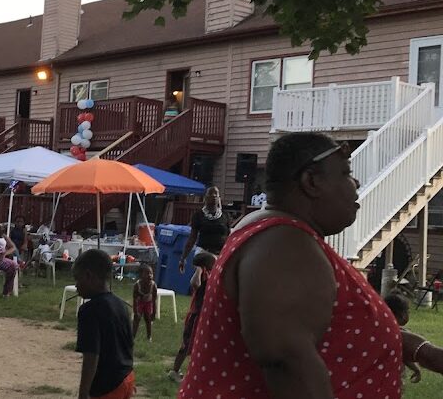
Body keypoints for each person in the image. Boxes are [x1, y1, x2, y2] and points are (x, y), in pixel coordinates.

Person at [179, 132, 403, 399]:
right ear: (311, 181)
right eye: (344, 173)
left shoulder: (275, 230)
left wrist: (410, 346)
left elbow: (322, 326)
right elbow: (287, 362)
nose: (355, 182)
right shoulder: (283, 245)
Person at [73, 249, 135, 399]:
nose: (76, 285)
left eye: (77, 279)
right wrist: (128, 374)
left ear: (88, 276)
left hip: (107, 387)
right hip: (126, 379)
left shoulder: (89, 311)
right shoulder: (121, 305)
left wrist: (83, 393)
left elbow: (91, 356)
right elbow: (128, 344)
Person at [168, 251, 216, 382]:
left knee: (200, 344)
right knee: (186, 344)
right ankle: (175, 371)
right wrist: (199, 270)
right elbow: (195, 284)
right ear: (205, 265)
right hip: (196, 315)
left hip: (203, 314)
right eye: (213, 262)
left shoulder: (211, 274)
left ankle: (195, 372)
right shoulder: (202, 274)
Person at [178, 186, 230, 273]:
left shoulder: (225, 215)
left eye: (216, 194)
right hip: (203, 252)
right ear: (205, 197)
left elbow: (229, 237)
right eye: (210, 194)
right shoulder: (198, 215)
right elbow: (192, 238)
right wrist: (183, 258)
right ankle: (198, 274)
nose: (213, 196)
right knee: (205, 270)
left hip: (220, 254)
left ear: (219, 198)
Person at [384, 294, 422, 382]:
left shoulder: (382, 330)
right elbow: (405, 355)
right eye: (408, 311)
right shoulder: (401, 334)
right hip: (393, 376)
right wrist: (417, 369)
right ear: (402, 315)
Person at [132, 263, 157, 342]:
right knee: (137, 319)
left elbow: (154, 300)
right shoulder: (137, 285)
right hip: (139, 303)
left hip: (148, 303)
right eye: (147, 273)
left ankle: (149, 337)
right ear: (141, 275)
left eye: (151, 273)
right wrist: (135, 311)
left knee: (148, 319)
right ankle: (132, 337)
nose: (150, 275)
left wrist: (154, 312)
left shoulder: (153, 286)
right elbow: (135, 300)